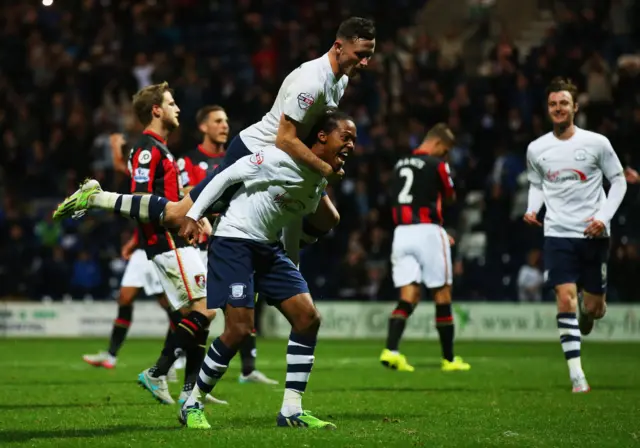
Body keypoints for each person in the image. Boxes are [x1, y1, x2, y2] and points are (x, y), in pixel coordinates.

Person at [52, 17, 376, 261]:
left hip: (282, 162)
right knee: (178, 215)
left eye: (369, 55)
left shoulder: (340, 81)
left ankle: (271, 252)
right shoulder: (312, 82)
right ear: (338, 46)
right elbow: (285, 138)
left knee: (328, 217)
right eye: (360, 54)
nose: (365, 62)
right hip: (254, 153)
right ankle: (96, 197)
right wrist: (323, 167)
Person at [174, 109, 355, 430]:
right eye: (347, 137)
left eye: (354, 140)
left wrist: (291, 270)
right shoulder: (276, 157)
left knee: (307, 318)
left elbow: (290, 226)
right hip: (233, 242)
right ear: (323, 138)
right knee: (239, 329)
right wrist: (194, 214)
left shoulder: (317, 182)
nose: (352, 145)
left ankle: (291, 410)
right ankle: (192, 403)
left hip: (269, 249)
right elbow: (226, 176)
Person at [523, 77, 627, 393]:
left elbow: (619, 181)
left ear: (575, 107)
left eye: (563, 103)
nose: (558, 108)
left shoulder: (597, 143)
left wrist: (602, 218)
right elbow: (538, 184)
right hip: (557, 233)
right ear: (548, 108)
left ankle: (588, 308)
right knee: (564, 297)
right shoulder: (537, 148)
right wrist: (532, 209)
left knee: (595, 308)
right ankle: (577, 375)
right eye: (553, 104)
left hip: (594, 234)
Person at [178, 105, 277, 385]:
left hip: (235, 237)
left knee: (242, 304)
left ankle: (248, 368)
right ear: (203, 127)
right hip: (200, 240)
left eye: (226, 121)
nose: (224, 126)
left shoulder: (237, 157)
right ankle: (176, 361)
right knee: (196, 308)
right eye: (218, 121)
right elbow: (185, 193)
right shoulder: (189, 161)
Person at [379, 124, 470, 373]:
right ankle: (449, 360)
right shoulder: (436, 164)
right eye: (446, 151)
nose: (445, 156)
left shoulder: (399, 165)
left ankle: (391, 350)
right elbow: (450, 196)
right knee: (442, 294)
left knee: (408, 296)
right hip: (427, 231)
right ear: (439, 144)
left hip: (401, 233)